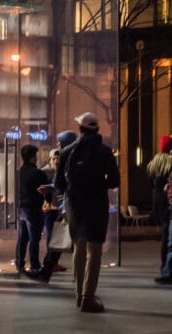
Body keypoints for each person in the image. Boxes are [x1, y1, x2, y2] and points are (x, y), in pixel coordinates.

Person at [55, 112, 120, 313]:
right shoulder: (104, 151)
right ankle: (88, 297)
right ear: (97, 129)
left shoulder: (66, 151)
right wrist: (99, 182)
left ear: (80, 129)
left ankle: (78, 294)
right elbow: (114, 181)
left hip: (74, 205)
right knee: (95, 251)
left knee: (79, 249)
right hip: (96, 204)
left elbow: (59, 184)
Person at [31, 131, 77, 282]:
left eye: (60, 142)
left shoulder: (68, 158)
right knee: (61, 242)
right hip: (71, 205)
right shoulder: (75, 157)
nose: (58, 145)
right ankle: (47, 272)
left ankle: (46, 273)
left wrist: (51, 187)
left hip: (69, 206)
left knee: (60, 241)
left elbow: (62, 182)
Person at [148, 137, 172, 284]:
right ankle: (168, 266)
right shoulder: (171, 162)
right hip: (168, 200)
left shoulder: (155, 162)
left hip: (156, 200)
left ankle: (167, 266)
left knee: (165, 233)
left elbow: (150, 182)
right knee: (170, 235)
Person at [15, 145, 47, 275]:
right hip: (34, 208)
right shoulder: (38, 174)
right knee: (34, 237)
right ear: (33, 158)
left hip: (21, 207)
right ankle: (35, 265)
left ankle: (19, 263)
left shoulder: (19, 173)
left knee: (23, 237)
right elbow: (46, 191)